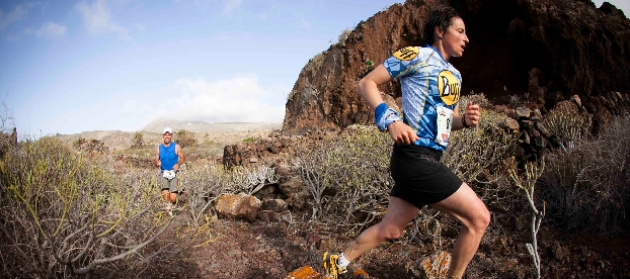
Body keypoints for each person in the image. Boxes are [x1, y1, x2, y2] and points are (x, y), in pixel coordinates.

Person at [323, 6, 488, 279]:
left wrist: (466, 121)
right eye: (460, 31)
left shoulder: (455, 76)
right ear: (439, 31)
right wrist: (391, 120)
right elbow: (366, 84)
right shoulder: (416, 55)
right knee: (479, 219)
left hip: (428, 159)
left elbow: (448, 122)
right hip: (413, 157)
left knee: (391, 230)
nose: (466, 38)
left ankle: (336, 262)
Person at [155, 127, 185, 211]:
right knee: (165, 196)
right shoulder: (159, 148)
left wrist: (178, 164)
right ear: (163, 136)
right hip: (163, 173)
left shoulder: (176, 147)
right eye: (165, 135)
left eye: (169, 135)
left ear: (171, 136)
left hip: (174, 173)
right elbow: (156, 160)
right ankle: (168, 213)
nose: (167, 136)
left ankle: (174, 209)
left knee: (173, 198)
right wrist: (157, 163)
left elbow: (182, 158)